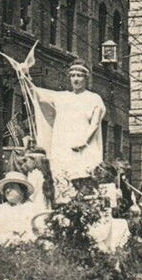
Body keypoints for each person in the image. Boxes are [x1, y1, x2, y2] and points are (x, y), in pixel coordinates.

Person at [30, 60, 106, 200]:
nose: (76, 79)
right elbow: (38, 93)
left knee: (82, 179)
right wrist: (25, 77)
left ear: (86, 78)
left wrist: (84, 142)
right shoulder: (62, 96)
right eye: (73, 75)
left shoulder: (94, 98)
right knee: (62, 180)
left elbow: (94, 124)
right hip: (63, 145)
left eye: (79, 76)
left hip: (82, 146)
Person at [0, 171, 43, 247]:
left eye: (12, 187)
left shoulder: (33, 209)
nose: (7, 190)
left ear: (22, 190)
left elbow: (38, 233)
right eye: (6, 188)